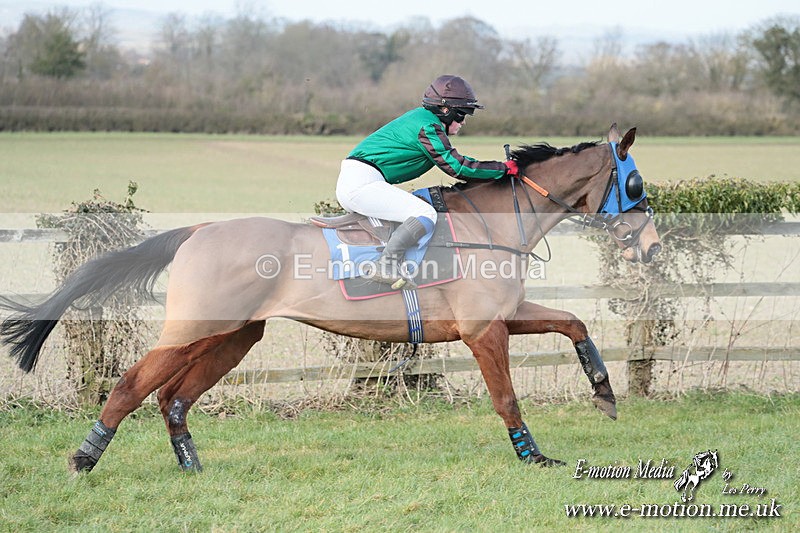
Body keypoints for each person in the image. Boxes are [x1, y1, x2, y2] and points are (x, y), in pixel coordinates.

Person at [336, 74, 519, 289]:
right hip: (362, 184)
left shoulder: (423, 119)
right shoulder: (428, 127)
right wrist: (502, 169)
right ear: (445, 110)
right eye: (461, 115)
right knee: (425, 214)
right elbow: (456, 166)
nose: (463, 122)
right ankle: (385, 266)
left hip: (362, 180)